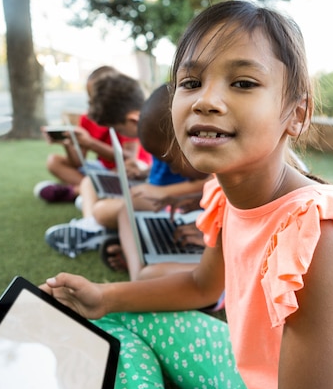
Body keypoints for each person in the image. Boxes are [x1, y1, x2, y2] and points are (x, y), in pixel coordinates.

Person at [41, 0, 333, 389]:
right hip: (254, 376)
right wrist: (103, 295)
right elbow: (202, 286)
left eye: (243, 83)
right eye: (191, 82)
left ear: (297, 114)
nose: (205, 100)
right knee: (104, 318)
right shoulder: (224, 194)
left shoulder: (317, 233)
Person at [44, 84, 210, 259]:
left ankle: (94, 225)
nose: (173, 167)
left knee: (103, 209)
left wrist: (162, 192)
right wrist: (144, 172)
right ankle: (92, 226)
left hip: (165, 204)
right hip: (155, 192)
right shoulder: (160, 134)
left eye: (118, 130)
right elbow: (161, 170)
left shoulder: (168, 134)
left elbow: (207, 182)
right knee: (89, 183)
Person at [34, 67, 151, 203]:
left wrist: (90, 143)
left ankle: (77, 191)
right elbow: (78, 162)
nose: (92, 101)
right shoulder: (88, 118)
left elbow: (130, 158)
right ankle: (90, 190)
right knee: (53, 161)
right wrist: (69, 144)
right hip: (103, 168)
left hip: (129, 168)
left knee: (128, 168)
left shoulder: (124, 118)